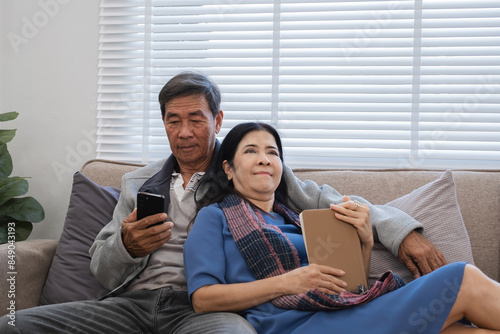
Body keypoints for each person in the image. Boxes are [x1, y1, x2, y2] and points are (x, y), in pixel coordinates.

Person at [1, 71, 441, 333]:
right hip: (129, 304)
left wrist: (404, 232)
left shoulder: (246, 169)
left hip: (204, 307)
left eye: (196, 118)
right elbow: (100, 266)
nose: (185, 131)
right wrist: (126, 244)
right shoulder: (137, 182)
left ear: (217, 120)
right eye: (174, 121)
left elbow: (332, 200)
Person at [184, 121, 500, 334]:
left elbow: (350, 288)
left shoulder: (295, 218)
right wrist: (288, 282)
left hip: (340, 312)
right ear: (228, 168)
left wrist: (363, 242)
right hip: (297, 326)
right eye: (251, 151)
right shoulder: (214, 217)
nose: (265, 159)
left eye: (273, 152)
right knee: (463, 278)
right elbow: (203, 299)